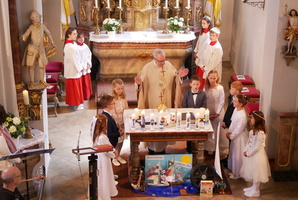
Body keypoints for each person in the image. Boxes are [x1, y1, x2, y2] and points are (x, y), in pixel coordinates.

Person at [134, 48, 188, 154]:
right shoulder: (147, 68)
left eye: (164, 60)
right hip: (152, 100)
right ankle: (152, 150)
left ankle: (163, 149)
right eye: (160, 61)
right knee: (153, 123)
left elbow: (175, 78)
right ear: (155, 59)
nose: (163, 63)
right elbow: (140, 83)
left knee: (165, 123)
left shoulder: (168, 65)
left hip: (166, 100)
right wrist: (139, 84)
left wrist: (179, 77)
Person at [240, 111, 271, 198]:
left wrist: (248, 153)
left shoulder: (261, 133)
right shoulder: (252, 131)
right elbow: (248, 142)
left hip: (257, 156)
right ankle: (253, 187)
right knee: (253, 171)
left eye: (252, 118)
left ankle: (256, 190)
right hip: (251, 154)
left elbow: (257, 147)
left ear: (257, 120)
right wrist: (245, 150)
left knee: (257, 173)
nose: (251, 119)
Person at [22, 10, 56, 88]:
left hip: (41, 49)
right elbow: (27, 33)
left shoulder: (42, 26)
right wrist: (24, 36)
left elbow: (48, 33)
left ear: (39, 17)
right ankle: (32, 81)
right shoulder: (31, 27)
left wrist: (52, 42)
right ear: (31, 18)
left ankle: (42, 80)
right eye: (33, 17)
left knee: (42, 65)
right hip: (32, 49)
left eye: (36, 17)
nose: (35, 18)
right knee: (31, 66)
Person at [90, 114, 118, 200]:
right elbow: (107, 150)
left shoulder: (96, 134)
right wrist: (114, 153)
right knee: (103, 175)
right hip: (104, 159)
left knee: (102, 175)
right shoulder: (102, 137)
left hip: (100, 157)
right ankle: (104, 193)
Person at [226, 94, 249, 180]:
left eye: (235, 101)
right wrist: (229, 131)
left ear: (241, 104)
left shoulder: (242, 116)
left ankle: (238, 173)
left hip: (240, 138)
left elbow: (239, 129)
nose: (233, 102)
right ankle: (233, 171)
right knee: (233, 154)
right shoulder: (236, 109)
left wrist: (231, 136)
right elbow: (232, 122)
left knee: (238, 155)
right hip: (235, 136)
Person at [182, 75, 207, 153]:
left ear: (200, 84)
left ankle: (198, 148)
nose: (195, 86)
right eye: (194, 84)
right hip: (189, 117)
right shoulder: (186, 94)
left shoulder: (203, 94)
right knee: (189, 133)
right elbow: (184, 106)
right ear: (190, 84)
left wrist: (199, 114)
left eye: (197, 84)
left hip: (199, 117)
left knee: (198, 133)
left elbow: (204, 105)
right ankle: (189, 148)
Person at [221, 81, 243, 167]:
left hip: (232, 124)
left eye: (232, 89)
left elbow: (234, 115)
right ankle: (228, 158)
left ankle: (230, 160)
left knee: (232, 144)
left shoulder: (238, 102)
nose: (230, 90)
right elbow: (227, 111)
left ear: (237, 91)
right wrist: (224, 120)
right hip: (228, 122)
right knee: (229, 143)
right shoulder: (232, 97)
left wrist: (227, 124)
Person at [98, 94, 123, 166]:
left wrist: (118, 129)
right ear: (108, 106)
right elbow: (109, 134)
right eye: (113, 103)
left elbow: (113, 126)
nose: (114, 105)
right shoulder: (106, 117)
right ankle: (109, 176)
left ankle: (110, 175)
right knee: (108, 162)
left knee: (109, 161)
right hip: (110, 142)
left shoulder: (108, 114)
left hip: (112, 142)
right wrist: (119, 134)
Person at [204, 70, 225, 155]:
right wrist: (208, 113)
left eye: (214, 78)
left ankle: (217, 148)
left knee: (217, 129)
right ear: (208, 78)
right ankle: (209, 148)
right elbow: (204, 100)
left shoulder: (220, 88)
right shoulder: (205, 87)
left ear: (217, 78)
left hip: (218, 111)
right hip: (208, 111)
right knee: (209, 129)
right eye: (211, 78)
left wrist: (217, 113)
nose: (212, 80)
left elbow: (222, 101)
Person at [64, 27, 84, 111]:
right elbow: (74, 59)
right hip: (73, 70)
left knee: (76, 88)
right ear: (69, 35)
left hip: (75, 70)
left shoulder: (73, 44)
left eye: (76, 34)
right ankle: (73, 105)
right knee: (73, 89)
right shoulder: (70, 47)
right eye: (74, 34)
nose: (76, 35)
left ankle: (77, 103)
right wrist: (80, 68)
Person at [110, 79, 128, 166]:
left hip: (123, 118)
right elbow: (113, 113)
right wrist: (120, 122)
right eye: (118, 89)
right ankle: (114, 157)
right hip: (116, 121)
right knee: (116, 140)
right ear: (114, 89)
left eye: (122, 88)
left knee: (121, 140)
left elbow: (126, 107)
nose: (120, 91)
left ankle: (118, 155)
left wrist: (126, 118)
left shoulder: (124, 97)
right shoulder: (112, 99)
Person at [194, 16, 213, 90]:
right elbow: (198, 43)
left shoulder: (208, 35)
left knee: (201, 74)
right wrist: (196, 51)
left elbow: (204, 47)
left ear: (208, 24)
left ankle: (201, 88)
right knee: (198, 72)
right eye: (202, 23)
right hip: (199, 54)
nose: (202, 25)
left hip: (202, 57)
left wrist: (198, 54)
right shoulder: (202, 32)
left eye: (204, 23)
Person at [0, 105, 20, 172]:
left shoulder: (3, 128)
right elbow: (6, 152)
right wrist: (17, 159)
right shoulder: (1, 133)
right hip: (3, 167)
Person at [76, 32, 92, 100]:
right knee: (82, 83)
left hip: (86, 66)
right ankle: (82, 96)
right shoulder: (76, 47)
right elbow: (77, 58)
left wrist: (89, 64)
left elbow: (89, 55)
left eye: (82, 37)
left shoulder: (85, 46)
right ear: (76, 39)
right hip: (81, 67)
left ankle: (88, 95)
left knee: (86, 82)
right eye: (79, 38)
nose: (81, 39)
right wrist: (82, 67)